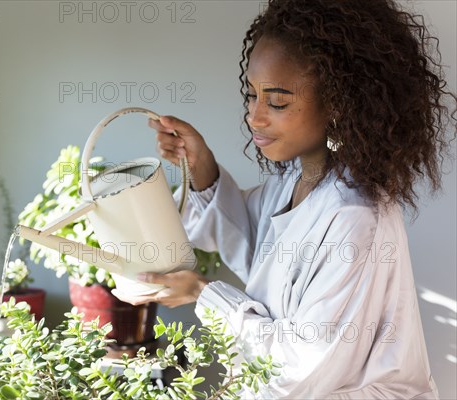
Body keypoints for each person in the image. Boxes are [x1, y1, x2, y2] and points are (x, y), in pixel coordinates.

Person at [113, 0, 456, 398]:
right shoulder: (299, 178)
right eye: (251, 95)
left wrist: (202, 294)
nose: (254, 117)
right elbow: (248, 237)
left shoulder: (354, 217)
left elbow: (299, 370)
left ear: (339, 103)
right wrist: (202, 163)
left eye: (276, 101)